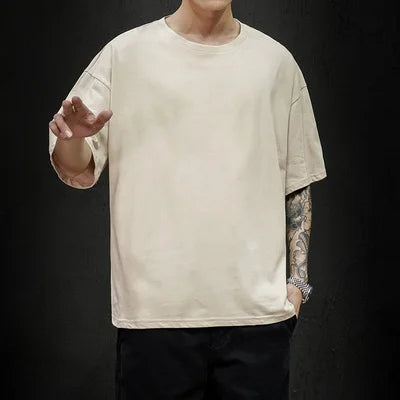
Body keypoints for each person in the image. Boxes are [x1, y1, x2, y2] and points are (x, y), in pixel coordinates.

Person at [48, 1, 327, 399]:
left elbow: (297, 181)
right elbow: (74, 166)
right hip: (155, 322)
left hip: (257, 323)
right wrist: (73, 138)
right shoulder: (124, 55)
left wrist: (297, 285)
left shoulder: (276, 63)